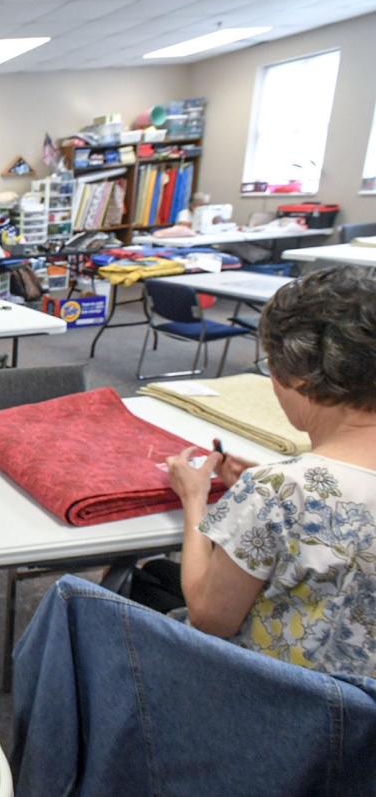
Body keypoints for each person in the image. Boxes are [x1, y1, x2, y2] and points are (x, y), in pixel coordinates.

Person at [160, 265, 376, 677]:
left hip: (277, 708)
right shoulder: (282, 489)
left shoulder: (278, 491)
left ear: (291, 375)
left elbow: (209, 617)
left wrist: (194, 502)